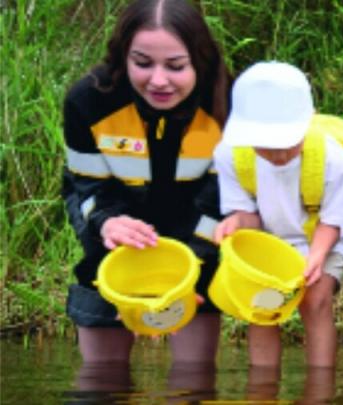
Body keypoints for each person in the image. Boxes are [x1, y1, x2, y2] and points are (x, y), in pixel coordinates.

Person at [62, 0, 230, 364]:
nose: (158, 80)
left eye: (175, 66)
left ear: (199, 60)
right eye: (142, 63)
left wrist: (185, 273)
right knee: (100, 385)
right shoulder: (88, 101)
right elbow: (87, 191)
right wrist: (107, 223)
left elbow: (223, 203)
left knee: (193, 382)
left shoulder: (227, 103)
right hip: (118, 240)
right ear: (123, 57)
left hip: (196, 241)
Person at [213, 61, 343, 368]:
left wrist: (315, 257)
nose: (278, 156)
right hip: (269, 241)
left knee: (315, 299)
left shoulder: (334, 159)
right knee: (263, 306)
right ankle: (262, 391)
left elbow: (333, 222)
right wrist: (235, 223)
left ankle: (319, 390)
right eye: (266, 146)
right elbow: (248, 216)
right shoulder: (230, 153)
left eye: (288, 144)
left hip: (324, 238)